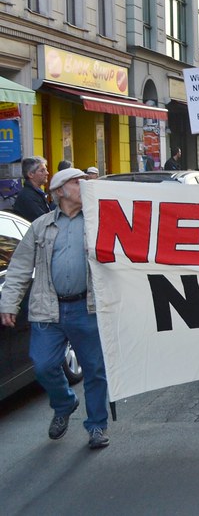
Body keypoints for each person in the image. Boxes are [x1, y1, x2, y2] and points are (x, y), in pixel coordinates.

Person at [0, 168, 110, 449]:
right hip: (48, 309)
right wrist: (9, 303)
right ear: (60, 191)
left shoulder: (98, 221)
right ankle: (64, 403)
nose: (83, 185)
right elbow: (19, 268)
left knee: (95, 370)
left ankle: (96, 426)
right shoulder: (41, 226)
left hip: (87, 308)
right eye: (77, 182)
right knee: (44, 365)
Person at [12, 156, 53, 221]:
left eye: (46, 169)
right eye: (42, 171)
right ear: (30, 174)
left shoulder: (37, 193)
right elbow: (43, 221)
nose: (47, 173)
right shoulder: (27, 196)